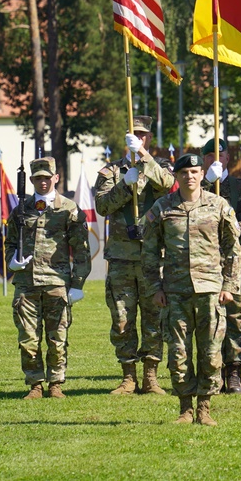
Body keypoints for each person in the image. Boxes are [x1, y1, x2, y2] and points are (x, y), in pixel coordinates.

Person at [143, 153, 241, 426]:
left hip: (210, 289)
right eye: (184, 172)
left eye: (195, 171)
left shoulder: (218, 205)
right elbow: (149, 250)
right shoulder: (163, 207)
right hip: (175, 291)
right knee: (178, 353)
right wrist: (154, 287)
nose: (190, 177)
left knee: (210, 352)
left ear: (202, 174)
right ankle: (185, 408)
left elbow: (234, 247)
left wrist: (230, 285)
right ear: (176, 176)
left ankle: (205, 408)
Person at [95, 115, 175, 395]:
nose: (138, 139)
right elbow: (102, 207)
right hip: (121, 259)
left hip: (153, 258)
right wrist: (124, 185)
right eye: (134, 135)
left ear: (148, 138)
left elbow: (167, 185)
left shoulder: (160, 166)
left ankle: (151, 376)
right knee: (122, 319)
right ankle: (128, 376)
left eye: (143, 136)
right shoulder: (111, 172)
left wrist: (143, 157)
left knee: (154, 319)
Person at [5, 157, 91, 399]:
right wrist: (11, 261)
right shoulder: (21, 209)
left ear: (56, 178)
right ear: (31, 180)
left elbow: (82, 250)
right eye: (38, 178)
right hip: (26, 283)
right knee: (28, 337)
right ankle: (35, 384)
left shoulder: (68, 209)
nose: (43, 182)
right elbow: (10, 242)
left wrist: (78, 284)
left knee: (57, 337)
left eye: (47, 177)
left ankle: (55, 384)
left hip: (57, 282)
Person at [201, 137, 241, 394]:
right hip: (205, 262)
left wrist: (237, 227)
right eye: (209, 155)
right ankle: (211, 373)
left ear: (228, 158)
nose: (215, 158)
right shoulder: (198, 186)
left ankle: (234, 372)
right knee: (209, 318)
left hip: (237, 263)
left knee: (236, 317)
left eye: (220, 154)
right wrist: (206, 181)